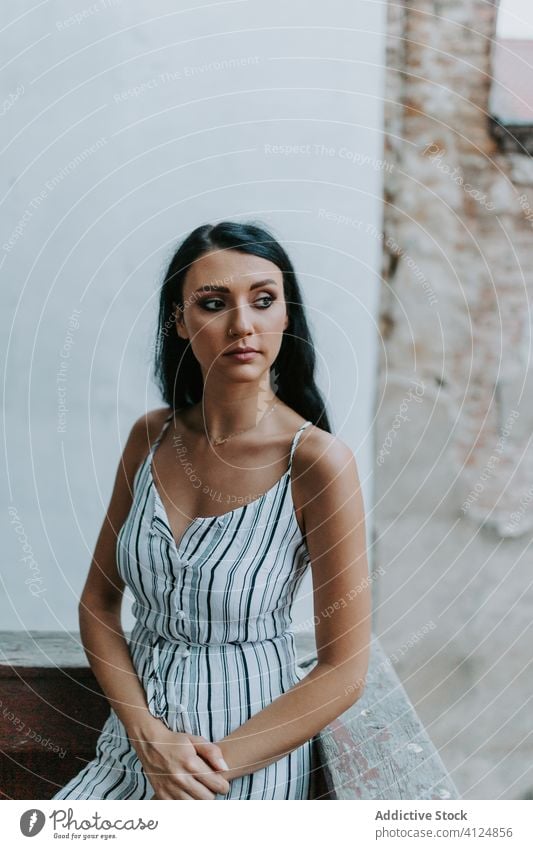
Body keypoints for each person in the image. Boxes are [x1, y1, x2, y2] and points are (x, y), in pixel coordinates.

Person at [52, 220, 371, 800]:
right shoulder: (149, 438)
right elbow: (98, 604)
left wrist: (204, 766)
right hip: (132, 748)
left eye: (264, 301)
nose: (242, 325)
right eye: (214, 303)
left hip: (241, 760)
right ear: (178, 321)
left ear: (286, 317)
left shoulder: (318, 463)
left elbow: (343, 671)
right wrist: (146, 736)